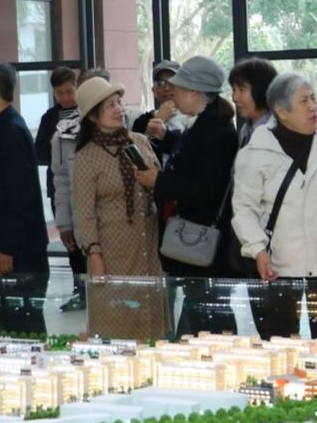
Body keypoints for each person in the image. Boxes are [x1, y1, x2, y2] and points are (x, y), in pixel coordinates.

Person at [232, 72, 317, 339]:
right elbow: (244, 209)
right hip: (277, 267)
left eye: (313, 98)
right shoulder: (255, 152)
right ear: (281, 110)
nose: (313, 106)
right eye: (304, 101)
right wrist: (258, 250)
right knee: (280, 345)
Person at [138, 56, 240, 335]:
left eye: (178, 88)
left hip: (205, 240)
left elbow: (206, 188)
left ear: (194, 92)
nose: (172, 93)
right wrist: (166, 139)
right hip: (193, 238)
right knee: (198, 311)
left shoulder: (217, 131)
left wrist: (159, 181)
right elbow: (192, 158)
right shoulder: (201, 124)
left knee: (207, 314)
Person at [70, 76, 166, 341]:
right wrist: (94, 255)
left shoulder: (139, 142)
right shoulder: (86, 156)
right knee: (116, 322)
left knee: (151, 325)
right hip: (112, 254)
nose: (119, 110)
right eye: (110, 105)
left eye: (119, 102)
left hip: (147, 248)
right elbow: (85, 213)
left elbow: (160, 186)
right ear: (93, 116)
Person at [0, 61, 51, 333]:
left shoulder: (11, 131)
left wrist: (7, 246)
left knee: (24, 332)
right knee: (6, 331)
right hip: (1, 252)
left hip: (18, 255)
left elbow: (22, 195)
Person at [38, 67, 87, 313]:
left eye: (70, 91)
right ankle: (80, 291)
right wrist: (58, 146)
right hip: (60, 186)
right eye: (60, 93)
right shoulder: (50, 118)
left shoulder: (88, 113)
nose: (66, 97)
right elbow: (39, 151)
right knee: (70, 241)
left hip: (86, 185)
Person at [132, 59, 185, 161]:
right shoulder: (142, 122)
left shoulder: (194, 117)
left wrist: (164, 133)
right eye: (160, 83)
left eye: (172, 82)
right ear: (154, 90)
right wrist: (159, 118)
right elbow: (137, 155)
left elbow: (191, 151)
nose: (166, 88)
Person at [229, 58, 278, 148]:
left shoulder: (278, 132)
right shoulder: (246, 129)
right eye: (234, 90)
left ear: (262, 90)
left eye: (241, 90)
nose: (234, 98)